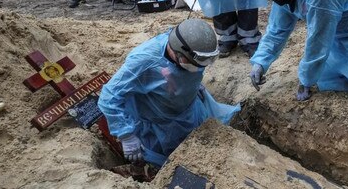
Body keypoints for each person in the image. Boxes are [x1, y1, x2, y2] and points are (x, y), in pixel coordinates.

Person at [98, 19, 241, 167]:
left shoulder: (195, 52)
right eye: (193, 63)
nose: (197, 68)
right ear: (178, 51)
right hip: (161, 123)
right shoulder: (144, 60)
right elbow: (108, 96)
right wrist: (126, 135)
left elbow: (188, 71)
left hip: (190, 110)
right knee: (174, 164)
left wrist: (193, 86)